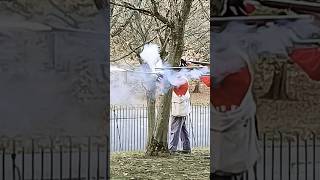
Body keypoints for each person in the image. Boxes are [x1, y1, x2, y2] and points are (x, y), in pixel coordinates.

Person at [169, 75, 192, 154]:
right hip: (181, 109)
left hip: (178, 110)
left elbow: (172, 85)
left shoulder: (180, 80)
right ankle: (186, 147)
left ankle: (172, 148)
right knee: (183, 130)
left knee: (175, 130)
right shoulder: (182, 79)